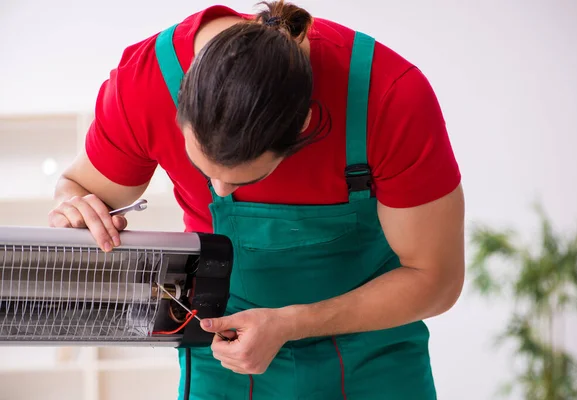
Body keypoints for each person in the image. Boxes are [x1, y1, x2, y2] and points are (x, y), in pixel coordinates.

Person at [49, 1, 465, 398]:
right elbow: (76, 186)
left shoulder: (390, 98)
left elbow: (437, 279)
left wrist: (291, 323)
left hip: (374, 351)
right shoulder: (145, 84)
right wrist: (74, 205)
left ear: (304, 125)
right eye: (205, 169)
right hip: (224, 348)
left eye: (242, 177)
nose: (219, 191)